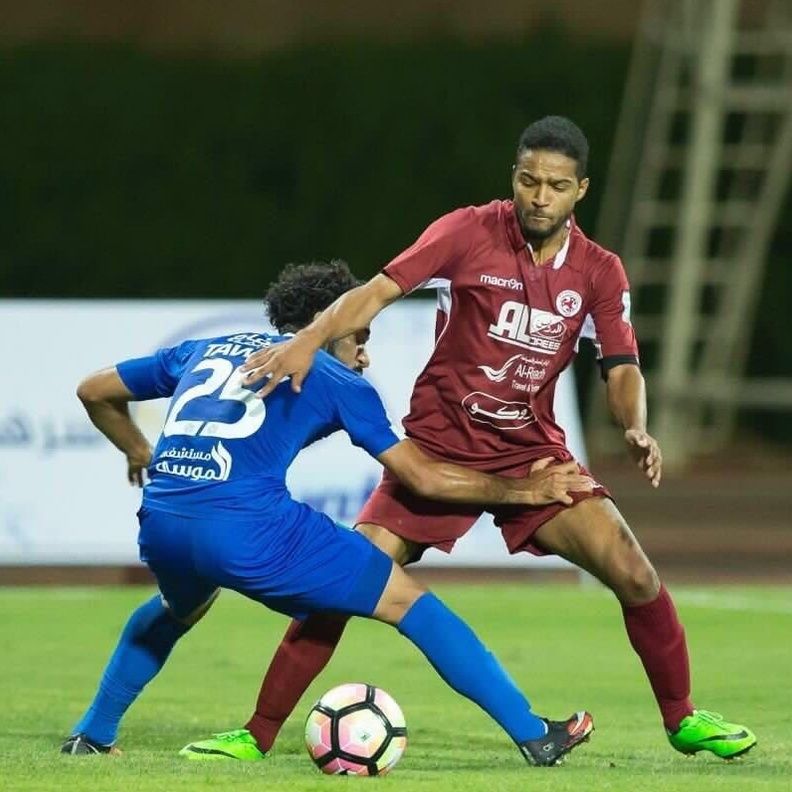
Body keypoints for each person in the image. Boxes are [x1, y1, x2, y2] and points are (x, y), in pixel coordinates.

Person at [183, 117, 757, 762]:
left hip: (531, 454)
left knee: (635, 573)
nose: (540, 195)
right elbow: (373, 293)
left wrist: (633, 424)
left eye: (557, 185)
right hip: (436, 452)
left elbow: (620, 365)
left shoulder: (599, 272)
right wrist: (307, 340)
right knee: (339, 587)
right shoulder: (466, 231)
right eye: (529, 179)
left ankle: (682, 719)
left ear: (581, 191)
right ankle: (255, 734)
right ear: (514, 175)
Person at [61, 259, 596, 767]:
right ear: (331, 322)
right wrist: (523, 492)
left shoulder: (203, 347)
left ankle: (92, 734)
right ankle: (534, 734)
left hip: (161, 523)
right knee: (410, 601)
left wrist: (138, 450)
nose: (364, 356)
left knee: (179, 606)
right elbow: (423, 477)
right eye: (360, 337)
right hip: (248, 527)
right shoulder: (337, 379)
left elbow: (93, 390)